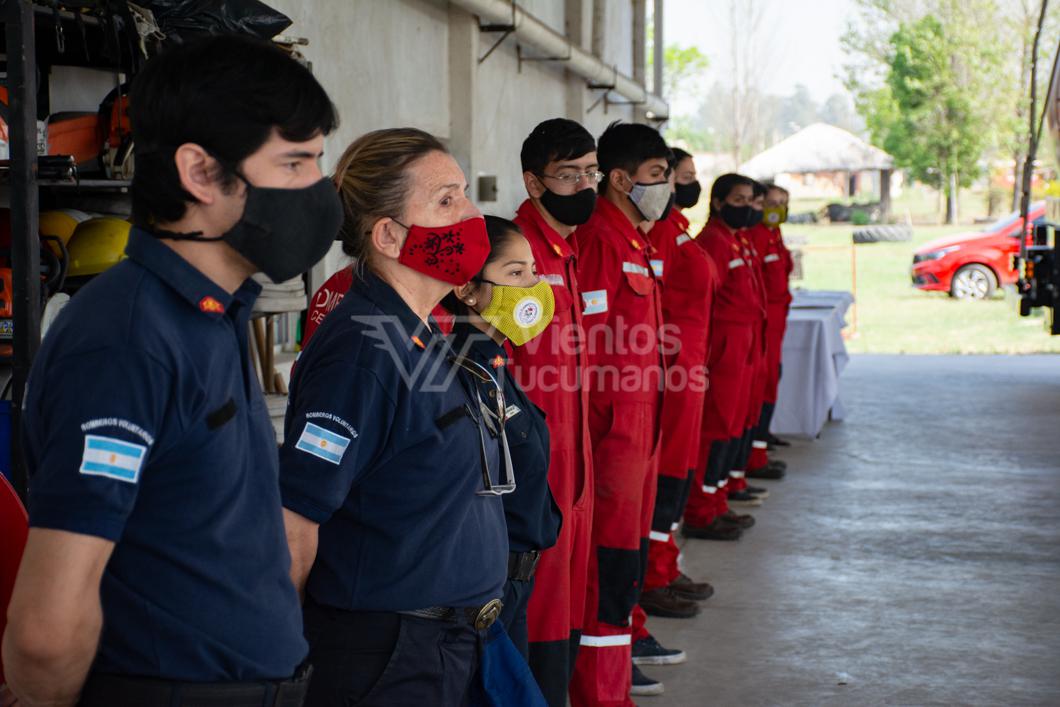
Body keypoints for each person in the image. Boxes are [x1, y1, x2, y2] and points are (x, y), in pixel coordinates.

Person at [2, 34, 339, 705]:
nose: (319, 191)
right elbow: (46, 628)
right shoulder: (126, 338)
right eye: (296, 163)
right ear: (201, 172)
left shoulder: (213, 313)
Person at [279, 128, 508, 706]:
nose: (472, 215)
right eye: (446, 201)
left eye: (463, 194)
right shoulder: (361, 352)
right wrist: (279, 662)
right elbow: (297, 519)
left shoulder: (418, 330)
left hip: (444, 647)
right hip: (389, 657)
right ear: (387, 235)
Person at [569, 121, 668, 705]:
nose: (665, 188)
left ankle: (620, 654)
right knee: (609, 557)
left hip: (639, 419)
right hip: (612, 426)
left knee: (626, 552)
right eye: (657, 178)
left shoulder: (636, 237)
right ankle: (604, 683)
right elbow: (589, 341)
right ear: (622, 179)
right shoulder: (602, 238)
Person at [509, 118, 597, 707]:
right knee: (537, 601)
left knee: (566, 596)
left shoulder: (564, 250)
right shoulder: (516, 254)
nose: (584, 186)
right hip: (536, 453)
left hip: (575, 451)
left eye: (590, 173)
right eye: (569, 176)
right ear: (534, 183)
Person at [446, 215, 562, 658]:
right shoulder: (460, 370)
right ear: (467, 290)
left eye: (533, 271)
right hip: (485, 588)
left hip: (513, 584)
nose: (533, 287)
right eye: (514, 273)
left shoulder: (494, 362)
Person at [633, 149, 719, 656]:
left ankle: (665, 566)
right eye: (671, 176)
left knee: (675, 475)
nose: (682, 185)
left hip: (688, 364)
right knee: (661, 480)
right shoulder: (656, 234)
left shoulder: (675, 226)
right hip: (666, 369)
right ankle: (654, 576)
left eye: (682, 178)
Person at [682, 173, 765, 541]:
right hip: (723, 347)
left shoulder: (735, 240)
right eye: (739, 199)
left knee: (730, 426)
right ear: (717, 203)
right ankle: (702, 509)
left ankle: (716, 502)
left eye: (751, 200)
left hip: (744, 343)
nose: (747, 207)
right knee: (714, 429)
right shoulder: (714, 241)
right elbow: (707, 302)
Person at [747, 184, 795, 475]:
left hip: (777, 320)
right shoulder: (755, 236)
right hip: (763, 322)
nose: (777, 208)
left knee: (771, 380)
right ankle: (756, 453)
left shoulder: (774, 235)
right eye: (772, 202)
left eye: (783, 203)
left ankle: (761, 443)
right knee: (761, 385)